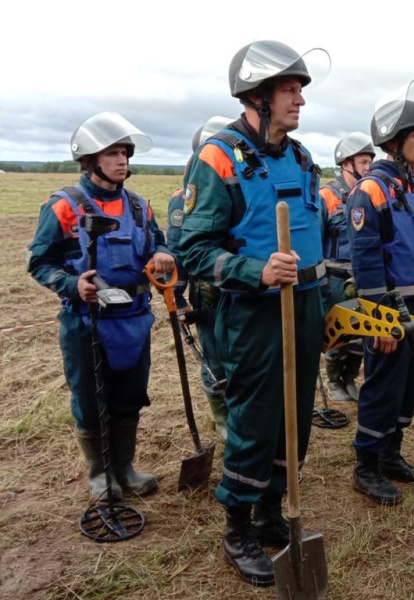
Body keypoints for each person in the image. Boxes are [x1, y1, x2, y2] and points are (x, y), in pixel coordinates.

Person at [178, 40, 330, 587]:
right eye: (291, 91)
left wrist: (326, 303)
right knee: (256, 419)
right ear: (258, 96)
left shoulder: (303, 157)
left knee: (294, 418)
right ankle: (238, 525)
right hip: (256, 315)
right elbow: (193, 250)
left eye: (299, 91)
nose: (300, 102)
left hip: (306, 306)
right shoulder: (219, 157)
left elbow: (317, 236)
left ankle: (272, 509)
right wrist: (255, 271)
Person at [27, 111, 174, 501]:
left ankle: (125, 467)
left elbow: (160, 242)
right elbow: (39, 262)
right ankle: (100, 472)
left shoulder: (140, 207)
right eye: (112, 153)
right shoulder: (64, 206)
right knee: (91, 399)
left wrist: (162, 254)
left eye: (125, 152)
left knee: (129, 397)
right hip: (85, 322)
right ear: (89, 160)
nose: (122, 160)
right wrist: (72, 284)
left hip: (135, 320)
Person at [345, 81, 414, 506]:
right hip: (390, 307)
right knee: (383, 386)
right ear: (395, 141)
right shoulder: (371, 189)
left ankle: (391, 454)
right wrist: (381, 317)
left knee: (410, 387)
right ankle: (367, 465)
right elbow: (366, 263)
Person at [166, 116, 232, 439]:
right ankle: (222, 417)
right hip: (209, 295)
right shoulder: (183, 199)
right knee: (214, 359)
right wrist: (176, 299)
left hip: (243, 289)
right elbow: (178, 251)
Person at [320, 132, 375, 402]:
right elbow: (315, 240)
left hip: (361, 276)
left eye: (370, 162)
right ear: (345, 163)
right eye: (363, 162)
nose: (368, 168)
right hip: (335, 278)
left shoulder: (367, 195)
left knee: (360, 334)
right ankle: (333, 382)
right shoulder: (326, 196)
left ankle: (350, 378)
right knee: (337, 333)